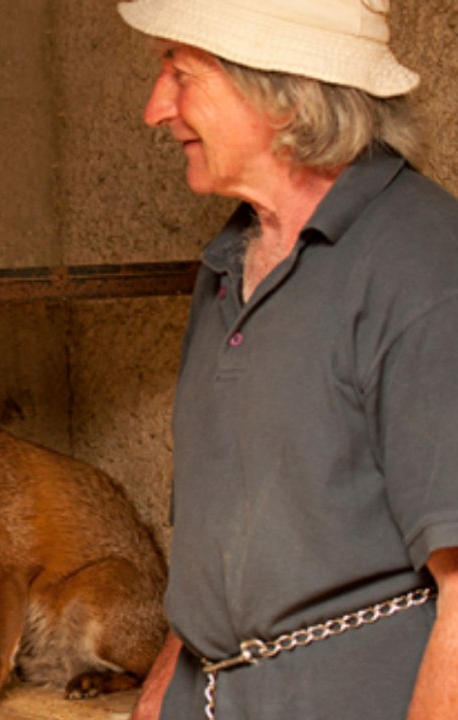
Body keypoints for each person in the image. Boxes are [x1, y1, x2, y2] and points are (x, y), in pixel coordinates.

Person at [116, 1, 458, 718]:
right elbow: (222, 538)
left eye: (179, 74)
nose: (155, 110)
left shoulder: (423, 267)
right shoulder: (227, 261)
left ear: (279, 94)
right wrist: (158, 696)